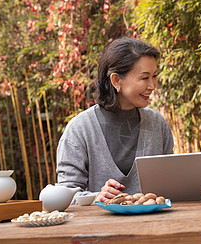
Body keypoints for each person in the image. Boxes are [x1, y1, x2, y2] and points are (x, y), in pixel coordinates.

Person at [56, 37, 174, 203]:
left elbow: (170, 184)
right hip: (100, 228)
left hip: (153, 226)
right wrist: (96, 197)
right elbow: (65, 194)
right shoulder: (80, 129)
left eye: (154, 76)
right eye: (144, 78)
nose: (152, 86)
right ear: (116, 80)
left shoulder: (157, 124)